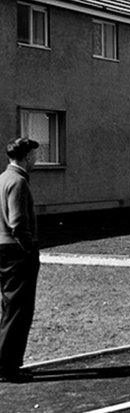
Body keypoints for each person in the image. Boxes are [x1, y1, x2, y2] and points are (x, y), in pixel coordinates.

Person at [0, 138, 40, 383]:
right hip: (16, 252)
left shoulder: (2, 178)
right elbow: (17, 223)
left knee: (8, 308)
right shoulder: (18, 182)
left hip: (2, 249)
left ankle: (7, 364)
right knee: (19, 310)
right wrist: (30, 249)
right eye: (35, 155)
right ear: (26, 157)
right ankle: (7, 367)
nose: (36, 159)